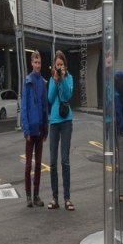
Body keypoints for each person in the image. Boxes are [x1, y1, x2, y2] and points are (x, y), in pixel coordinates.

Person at [47, 50, 74, 210]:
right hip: (54, 122)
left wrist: (62, 79)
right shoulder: (52, 79)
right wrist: (55, 80)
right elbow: (50, 99)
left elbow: (67, 96)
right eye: (57, 65)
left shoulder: (69, 78)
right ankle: (54, 198)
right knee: (52, 162)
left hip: (66, 122)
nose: (59, 67)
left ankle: (67, 198)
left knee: (65, 160)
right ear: (54, 66)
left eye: (61, 65)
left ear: (65, 65)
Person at [21, 50, 48, 208]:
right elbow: (24, 107)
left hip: (40, 128)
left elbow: (45, 107)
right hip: (31, 129)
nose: (37, 65)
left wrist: (46, 128)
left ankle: (36, 195)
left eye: (39, 63)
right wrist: (26, 130)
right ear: (31, 63)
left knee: (38, 164)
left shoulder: (43, 83)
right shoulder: (28, 82)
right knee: (28, 165)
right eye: (35, 62)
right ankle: (28, 195)